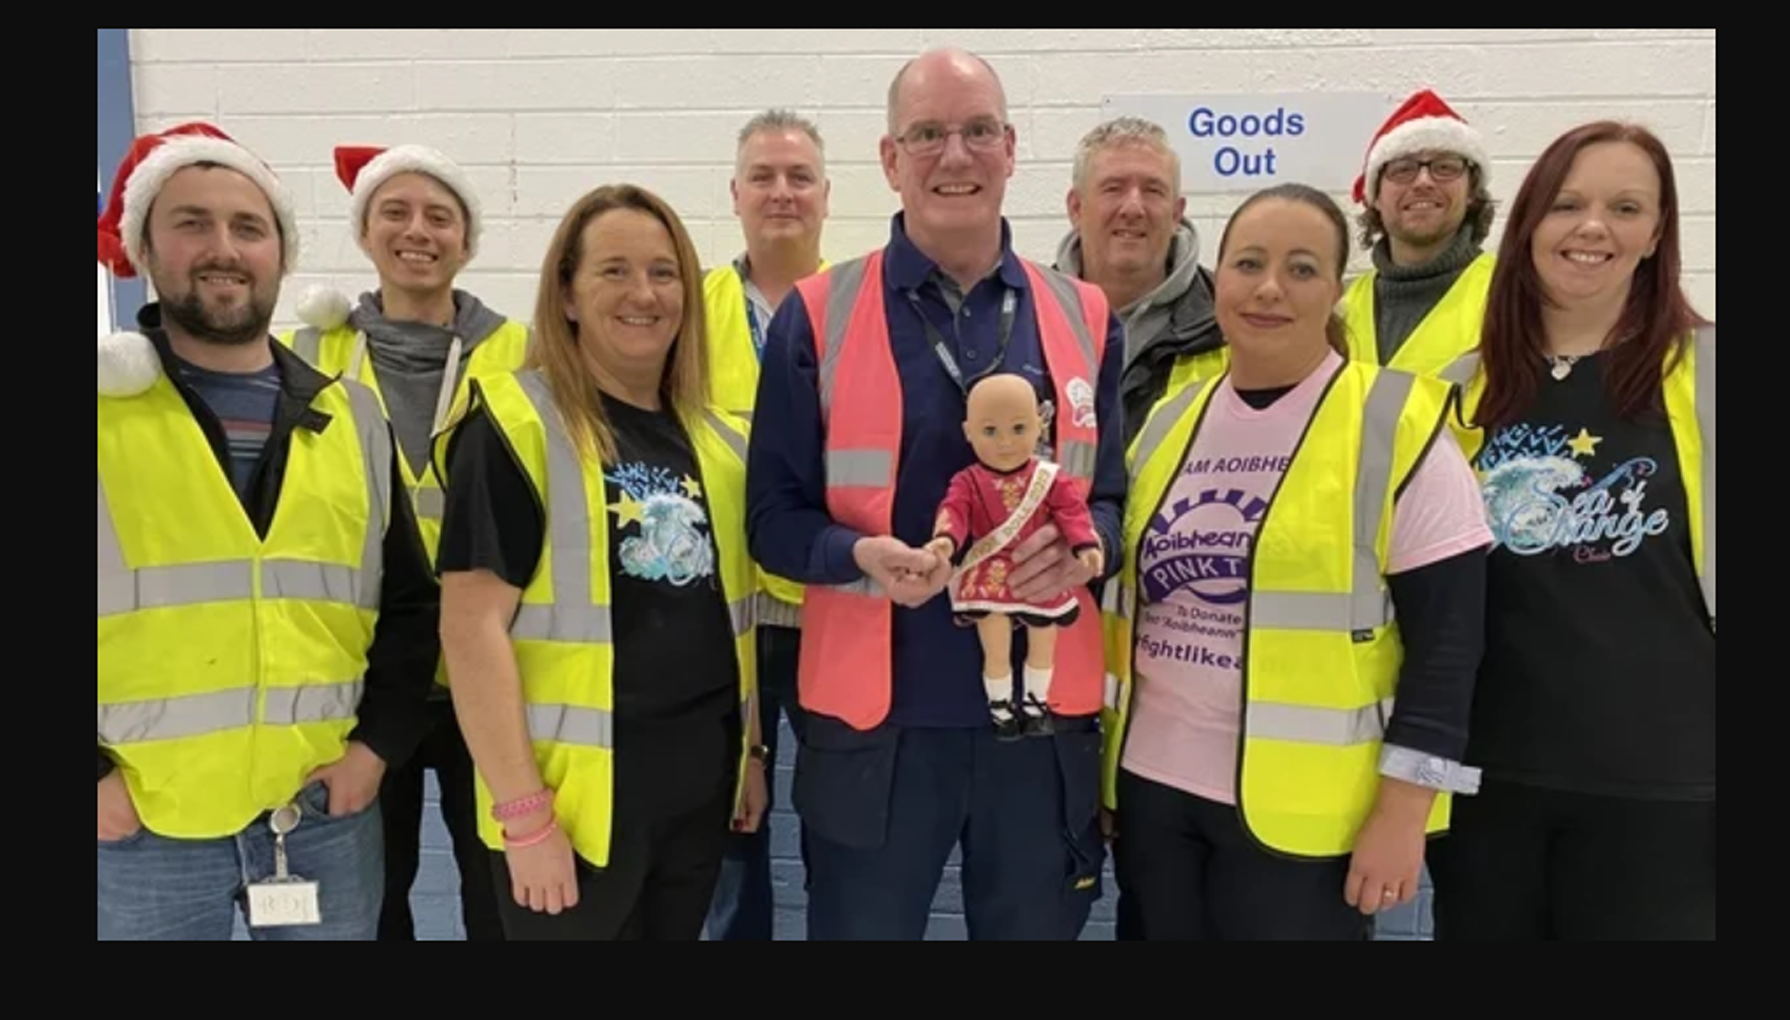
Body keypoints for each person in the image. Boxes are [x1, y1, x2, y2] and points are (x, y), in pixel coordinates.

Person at [747, 46, 1127, 941]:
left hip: (1040, 727)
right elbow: (770, 520)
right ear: (890, 159)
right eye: (927, 134)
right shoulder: (816, 315)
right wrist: (857, 555)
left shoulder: (1086, 315)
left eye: (978, 131)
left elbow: (1109, 498)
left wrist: (1087, 551)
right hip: (875, 733)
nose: (955, 155)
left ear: (1011, 149)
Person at [1100, 182, 1494, 940]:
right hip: (1153, 793)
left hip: (1308, 818)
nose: (1270, 288)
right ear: (1219, 278)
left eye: (1302, 268)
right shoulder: (1168, 421)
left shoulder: (1396, 423)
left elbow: (1449, 648)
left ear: (1337, 289)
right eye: (1249, 263)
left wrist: (1405, 810)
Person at [97, 122, 439, 941]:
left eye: (248, 227)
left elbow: (409, 605)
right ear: (144, 245)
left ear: (281, 254)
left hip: (319, 816)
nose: (224, 248)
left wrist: (377, 748)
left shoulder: (351, 416)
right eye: (193, 223)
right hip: (141, 826)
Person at [435, 183, 769, 941]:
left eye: (663, 272)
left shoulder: (721, 442)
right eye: (614, 270)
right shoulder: (515, 421)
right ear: (568, 294)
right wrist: (524, 816)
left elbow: (727, 621)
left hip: (698, 791)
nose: (643, 294)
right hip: (572, 807)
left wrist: (748, 752)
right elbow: (469, 630)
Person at [1428, 121, 1716, 941]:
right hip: (1488, 787)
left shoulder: (1710, 372)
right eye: (1567, 204)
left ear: (1656, 234)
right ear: (1529, 223)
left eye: (1626, 208)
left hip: (1664, 792)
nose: (1593, 227)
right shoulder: (1457, 391)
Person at [280, 141, 529, 943]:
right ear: (364, 231)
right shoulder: (304, 359)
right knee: (370, 904)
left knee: (501, 897)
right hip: (362, 685)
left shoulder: (524, 356)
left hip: (491, 680)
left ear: (468, 240)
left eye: (439, 216)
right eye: (395, 212)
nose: (417, 231)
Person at [701, 108, 830, 942]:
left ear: (825, 194)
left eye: (799, 176)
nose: (781, 192)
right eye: (763, 176)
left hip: (834, 612)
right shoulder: (689, 304)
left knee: (842, 836)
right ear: (735, 193)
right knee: (730, 836)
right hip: (720, 615)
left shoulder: (860, 304)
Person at [926, 373, 1104, 738]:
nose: (1005, 442)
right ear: (968, 432)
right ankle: (1001, 709)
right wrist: (945, 539)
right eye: (990, 431)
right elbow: (954, 511)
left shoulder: (1051, 478)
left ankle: (1036, 707)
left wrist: (1085, 543)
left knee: (1043, 644)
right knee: (996, 649)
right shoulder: (968, 481)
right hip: (989, 571)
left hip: (1041, 573)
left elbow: (1073, 511)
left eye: (1019, 428)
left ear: (1040, 425)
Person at [1055, 115, 1224, 445]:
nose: (1133, 208)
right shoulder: (1028, 316)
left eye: (1153, 190)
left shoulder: (1226, 322)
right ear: (1076, 208)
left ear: (1176, 214)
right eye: (1113, 188)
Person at [1341, 89, 1497, 377]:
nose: (1423, 181)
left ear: (1472, 191)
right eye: (1402, 169)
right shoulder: (1338, 309)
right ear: (1374, 197)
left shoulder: (1512, 295)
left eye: (1445, 167)